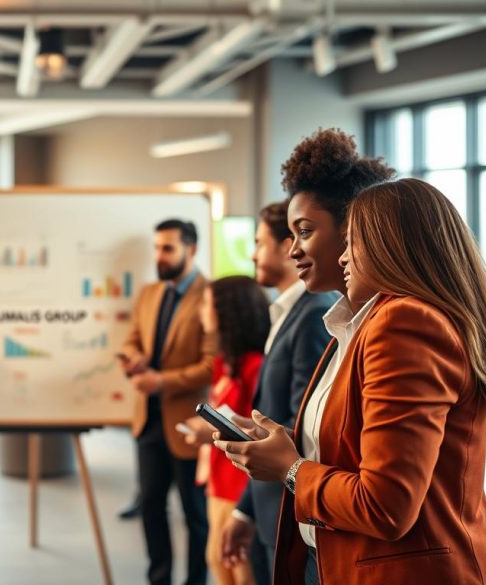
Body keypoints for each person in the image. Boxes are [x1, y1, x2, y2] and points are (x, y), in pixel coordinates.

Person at [217, 177, 486, 584]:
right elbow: (362, 443)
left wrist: (290, 468)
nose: (343, 258)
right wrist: (287, 441)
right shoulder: (360, 325)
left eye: (353, 242)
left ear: (390, 246)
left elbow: (386, 505)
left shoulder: (403, 322)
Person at [219, 202, 337, 585]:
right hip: (273, 504)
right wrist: (245, 512)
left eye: (259, 242)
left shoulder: (316, 314)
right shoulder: (286, 312)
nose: (253, 254)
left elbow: (306, 430)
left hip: (295, 507)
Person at [120, 218, 217, 585]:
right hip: (148, 422)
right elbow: (131, 340)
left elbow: (210, 366)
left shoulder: (209, 295)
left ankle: (195, 581)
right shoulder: (149, 293)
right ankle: (158, 578)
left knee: (195, 515)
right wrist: (134, 359)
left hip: (188, 426)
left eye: (167, 248)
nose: (159, 256)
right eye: (157, 248)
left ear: (190, 250)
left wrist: (160, 381)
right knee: (151, 508)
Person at [183, 276, 269, 585]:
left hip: (240, 484)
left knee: (239, 569)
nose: (201, 312)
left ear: (228, 312)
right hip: (218, 478)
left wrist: (214, 432)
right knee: (218, 562)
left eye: (207, 304)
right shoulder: (224, 362)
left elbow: (258, 429)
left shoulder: (255, 366)